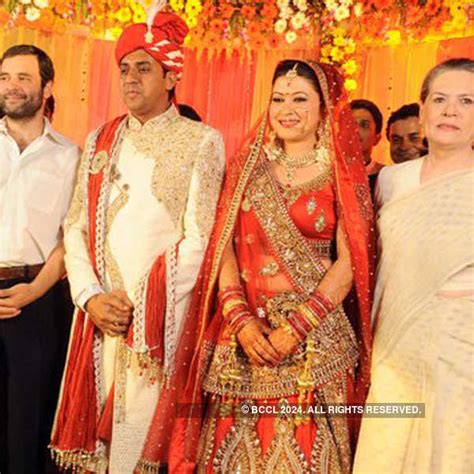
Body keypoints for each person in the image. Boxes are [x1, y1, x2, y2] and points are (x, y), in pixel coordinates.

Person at [158, 59, 375, 473]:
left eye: (299, 99)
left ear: (325, 108)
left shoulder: (341, 175)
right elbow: (224, 244)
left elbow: (351, 262)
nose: (286, 109)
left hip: (314, 347)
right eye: (278, 98)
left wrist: (297, 328)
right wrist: (239, 317)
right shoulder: (246, 169)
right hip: (245, 341)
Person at [50, 10, 225, 473]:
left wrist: (143, 307)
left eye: (143, 68)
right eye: (124, 69)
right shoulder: (100, 140)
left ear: (171, 77)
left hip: (161, 324)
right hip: (99, 318)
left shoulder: (202, 141)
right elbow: (76, 228)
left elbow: (201, 237)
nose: (130, 79)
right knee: (95, 455)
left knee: (139, 445)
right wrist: (91, 298)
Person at [354, 58, 474, 473]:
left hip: (463, 349)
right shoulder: (391, 181)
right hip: (395, 346)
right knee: (385, 453)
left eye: (466, 101)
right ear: (422, 111)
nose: (451, 111)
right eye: (439, 100)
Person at [0, 44, 79, 474]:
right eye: (5, 77)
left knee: (30, 422)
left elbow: (73, 239)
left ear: (47, 87)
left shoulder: (70, 156)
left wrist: (34, 290)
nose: (12, 87)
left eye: (23, 77)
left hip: (41, 297)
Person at [350, 99, 383, 193]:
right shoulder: (326, 173)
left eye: (364, 125)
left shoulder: (384, 176)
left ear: (377, 139)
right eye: (350, 124)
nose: (355, 130)